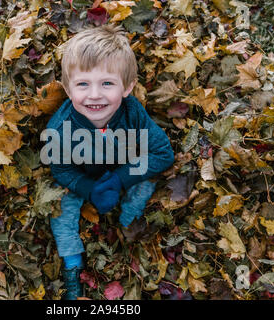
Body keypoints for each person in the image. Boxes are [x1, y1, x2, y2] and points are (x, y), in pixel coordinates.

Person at [43, 24, 174, 300]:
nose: (94, 95)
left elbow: (162, 152)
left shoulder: (132, 112)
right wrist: (87, 188)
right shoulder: (59, 129)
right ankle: (72, 266)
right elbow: (60, 169)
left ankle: (128, 218)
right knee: (60, 208)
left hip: (121, 167)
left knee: (149, 176)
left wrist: (120, 179)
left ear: (127, 87)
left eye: (107, 83)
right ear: (68, 88)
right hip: (83, 176)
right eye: (82, 84)